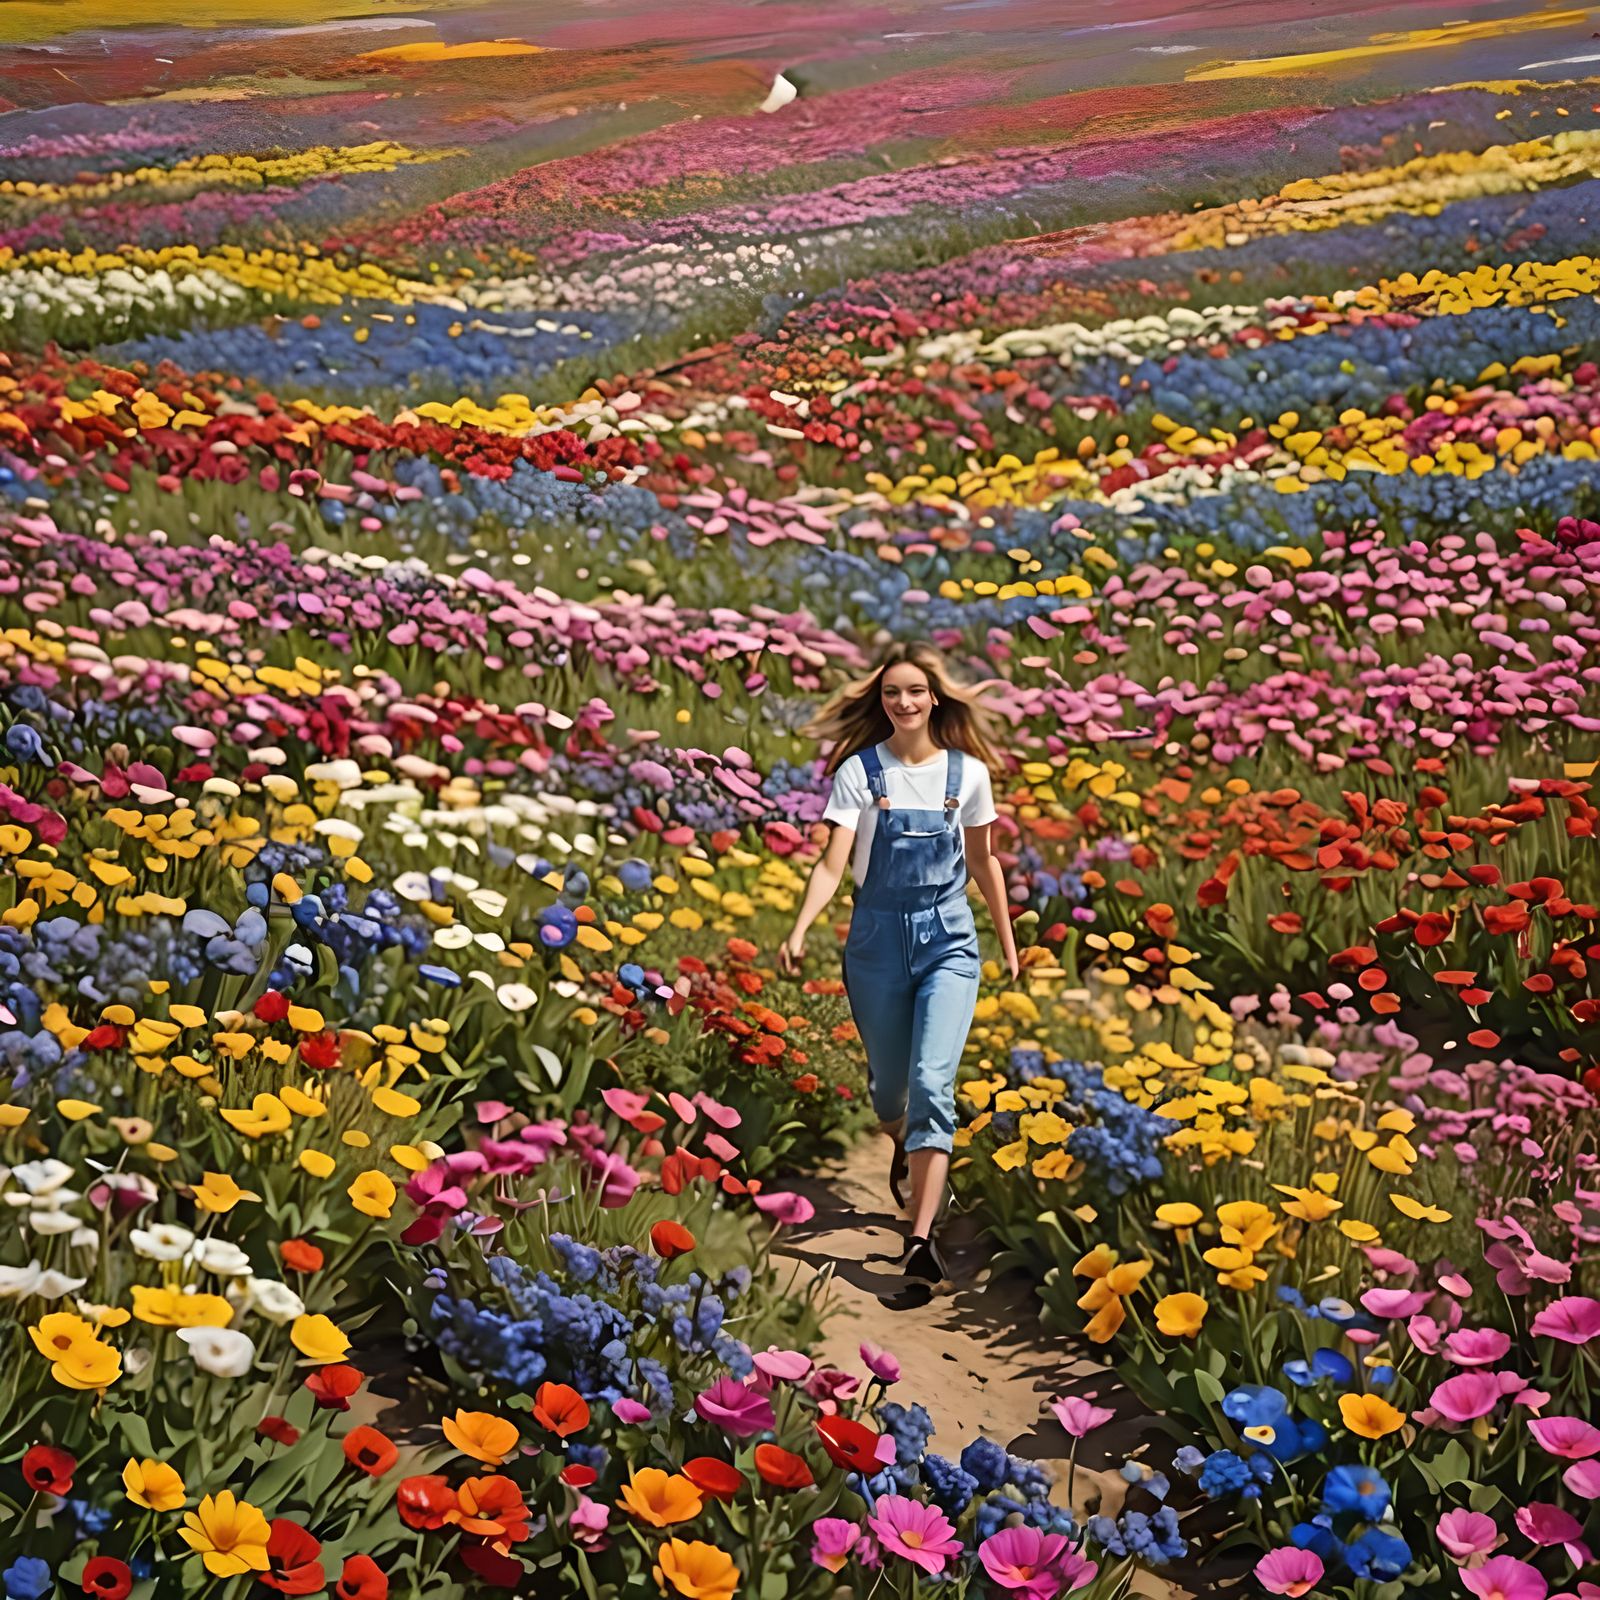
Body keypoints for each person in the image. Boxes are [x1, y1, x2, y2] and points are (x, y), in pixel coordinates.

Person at [778, 641, 1019, 1286]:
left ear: (934, 697)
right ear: (880, 701)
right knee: (892, 1092)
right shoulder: (860, 773)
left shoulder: (967, 775)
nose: (904, 702)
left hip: (949, 941)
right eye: (891, 693)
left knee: (933, 1085)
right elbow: (833, 861)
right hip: (877, 941)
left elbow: (983, 861)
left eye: (914, 691)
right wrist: (801, 927)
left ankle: (919, 1240)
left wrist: (1007, 937)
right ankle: (902, 1144)